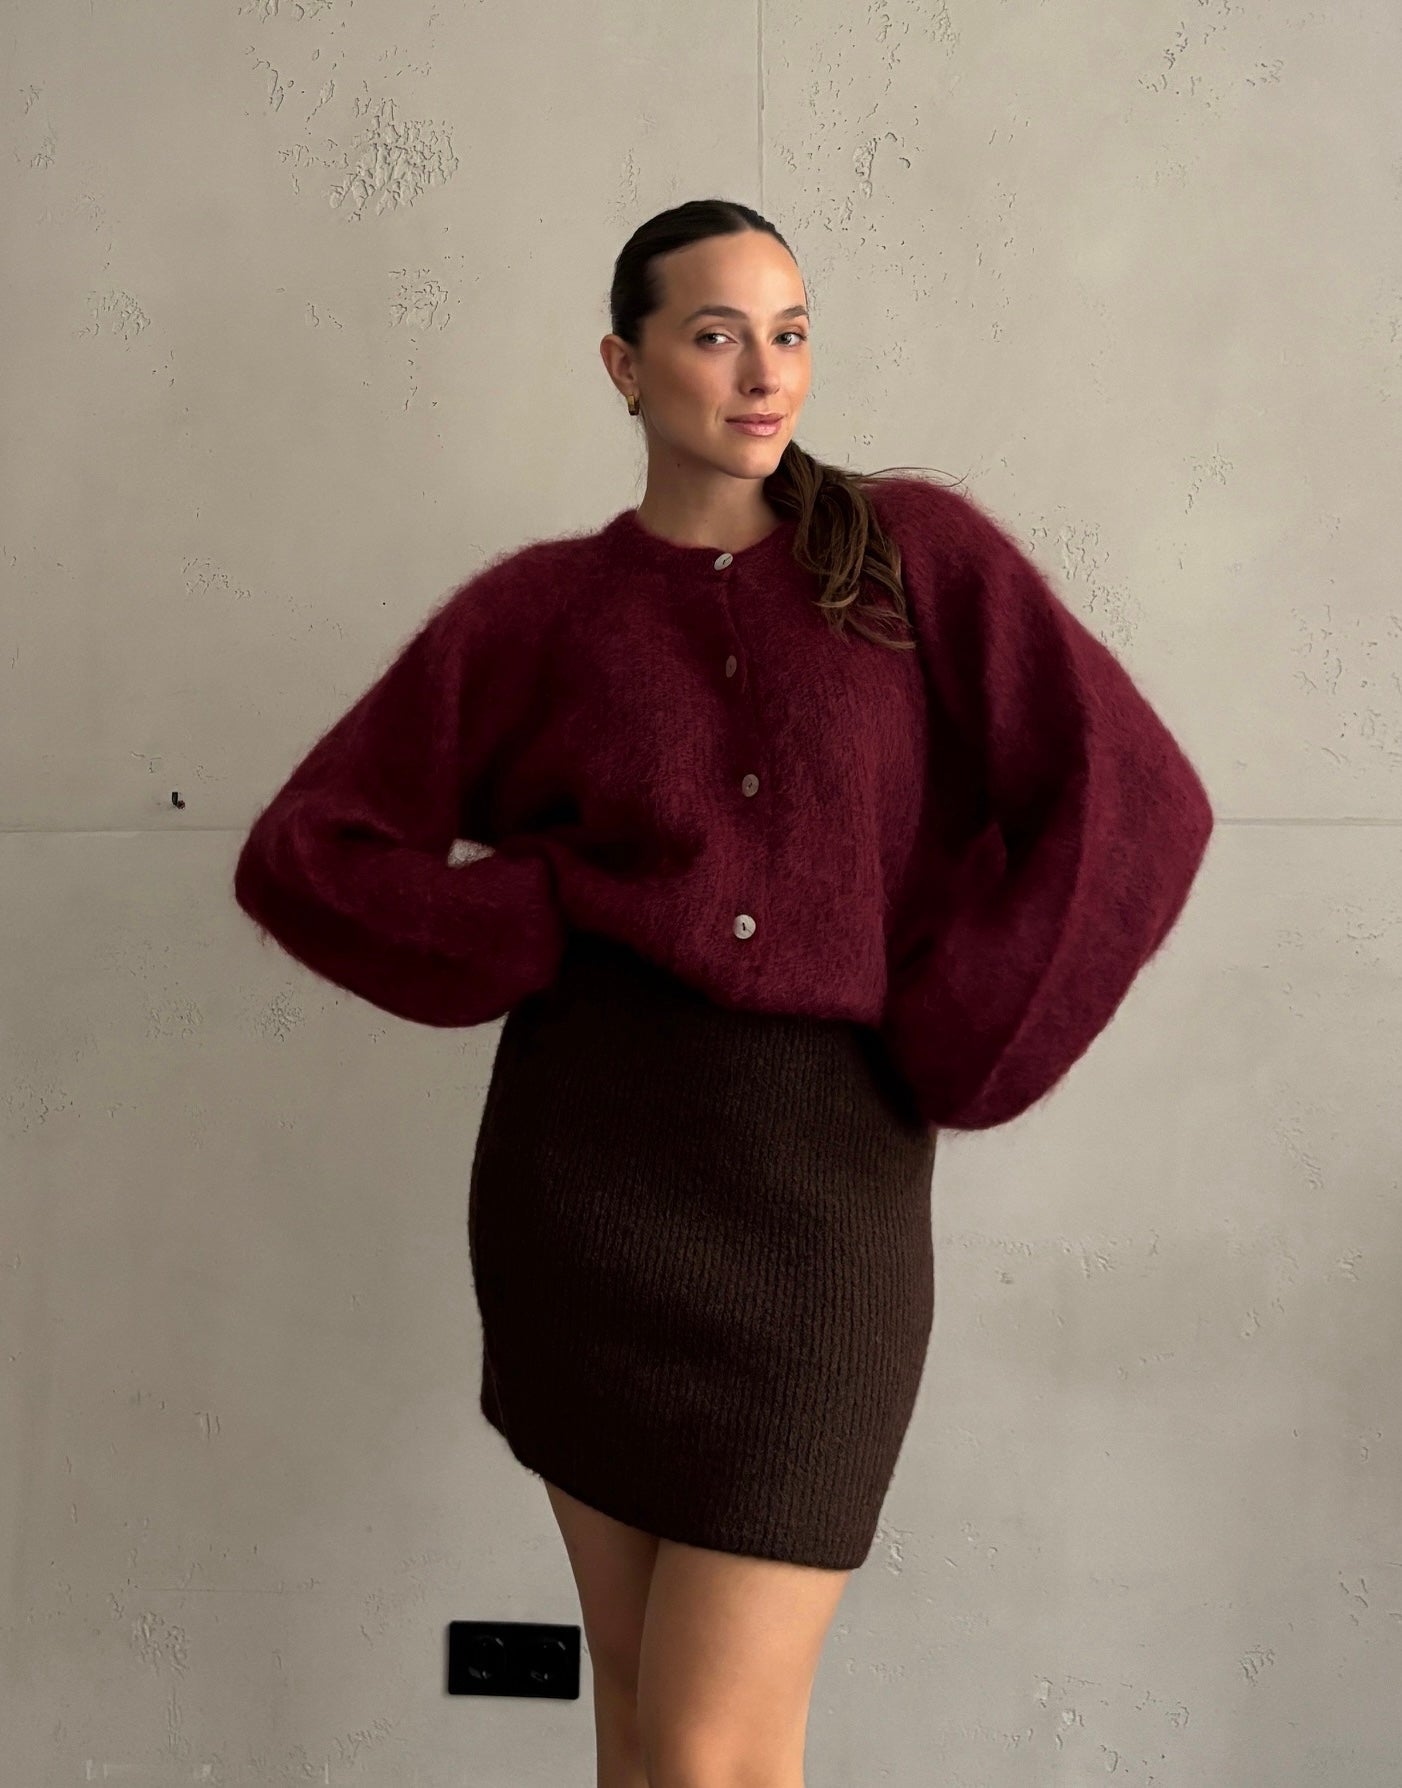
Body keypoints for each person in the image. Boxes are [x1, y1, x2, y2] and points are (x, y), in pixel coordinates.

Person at [232, 198, 1214, 1788]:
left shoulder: (908, 558)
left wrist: (955, 1033)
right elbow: (307, 855)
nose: (765, 374)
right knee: (640, 1728)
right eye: (715, 334)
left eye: (791, 332)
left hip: (823, 1209)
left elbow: (1133, 800)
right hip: (582, 1195)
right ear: (622, 366)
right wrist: (535, 913)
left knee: (709, 1751)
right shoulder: (538, 610)